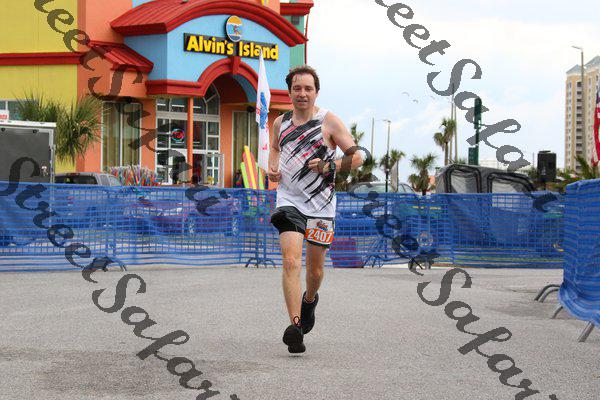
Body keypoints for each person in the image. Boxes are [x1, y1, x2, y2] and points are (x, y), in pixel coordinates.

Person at [268, 65, 364, 353]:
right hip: (289, 200)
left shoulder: (329, 121)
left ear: (316, 92)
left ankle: (309, 300)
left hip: (321, 206)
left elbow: (357, 157)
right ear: (289, 92)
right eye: (297, 88)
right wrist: (273, 167)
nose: (302, 93)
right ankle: (296, 327)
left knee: (316, 271)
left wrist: (328, 165)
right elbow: (275, 148)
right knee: (290, 262)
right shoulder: (280, 123)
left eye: (308, 88)